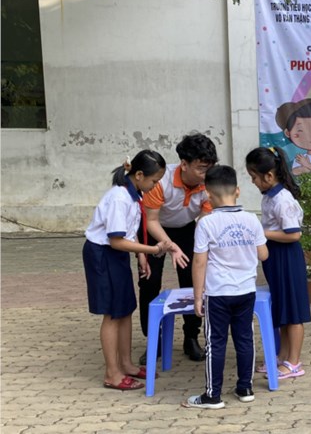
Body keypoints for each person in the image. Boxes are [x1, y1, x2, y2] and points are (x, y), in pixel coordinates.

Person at [82, 151, 177, 391]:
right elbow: (116, 240)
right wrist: (153, 249)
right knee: (113, 313)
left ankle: (126, 364)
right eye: (154, 181)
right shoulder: (119, 198)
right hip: (103, 254)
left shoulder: (134, 194)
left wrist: (141, 255)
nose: (155, 186)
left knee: (125, 308)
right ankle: (112, 373)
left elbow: (129, 230)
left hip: (117, 254)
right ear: (139, 175)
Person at [184, 165, 269, 409]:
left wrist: (197, 297)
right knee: (245, 339)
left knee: (216, 342)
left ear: (207, 195)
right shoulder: (251, 220)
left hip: (218, 293)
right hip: (246, 291)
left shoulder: (206, 223)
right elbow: (263, 255)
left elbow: (199, 262)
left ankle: (213, 395)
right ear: (237, 191)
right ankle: (245, 388)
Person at [137, 133, 218, 363]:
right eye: (201, 168)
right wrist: (170, 246)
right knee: (150, 282)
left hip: (187, 229)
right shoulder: (161, 181)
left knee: (194, 280)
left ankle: (191, 336)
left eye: (209, 168)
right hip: (155, 230)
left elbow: (204, 219)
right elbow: (151, 221)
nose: (206, 174)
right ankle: (154, 339)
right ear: (184, 164)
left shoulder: (209, 183)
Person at [246, 146, 311, 380]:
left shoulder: (283, 199)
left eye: (254, 177)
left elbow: (294, 234)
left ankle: (294, 362)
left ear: (269, 176)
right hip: (275, 256)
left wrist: (261, 232)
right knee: (282, 307)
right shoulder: (269, 196)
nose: (253, 182)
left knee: (293, 311)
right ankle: (282, 356)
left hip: (287, 257)